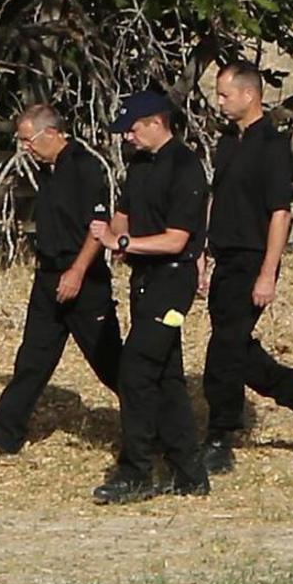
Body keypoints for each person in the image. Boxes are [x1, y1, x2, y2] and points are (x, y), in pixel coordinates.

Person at [199, 63, 293, 473]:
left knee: (223, 352)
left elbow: (280, 214)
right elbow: (217, 197)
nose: (219, 101)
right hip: (225, 256)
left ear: (249, 95)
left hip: (252, 258)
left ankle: (219, 437)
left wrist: (268, 272)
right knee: (237, 348)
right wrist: (203, 253)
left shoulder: (271, 146)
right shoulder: (228, 141)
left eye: (225, 94)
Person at [0, 100, 123, 457]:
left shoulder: (85, 167)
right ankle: (5, 435)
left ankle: (153, 425)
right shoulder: (47, 171)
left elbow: (99, 229)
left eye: (28, 139)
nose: (25, 147)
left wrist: (77, 272)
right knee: (32, 360)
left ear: (51, 132)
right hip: (48, 277)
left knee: (110, 363)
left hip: (82, 279)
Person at [96, 91, 210, 503]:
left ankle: (138, 469)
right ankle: (189, 470)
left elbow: (177, 240)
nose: (128, 136)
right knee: (166, 376)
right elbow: (125, 211)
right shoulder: (140, 165)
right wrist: (116, 234)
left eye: (134, 127)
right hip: (144, 280)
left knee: (137, 370)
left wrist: (122, 241)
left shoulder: (186, 167)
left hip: (172, 283)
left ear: (157, 122)